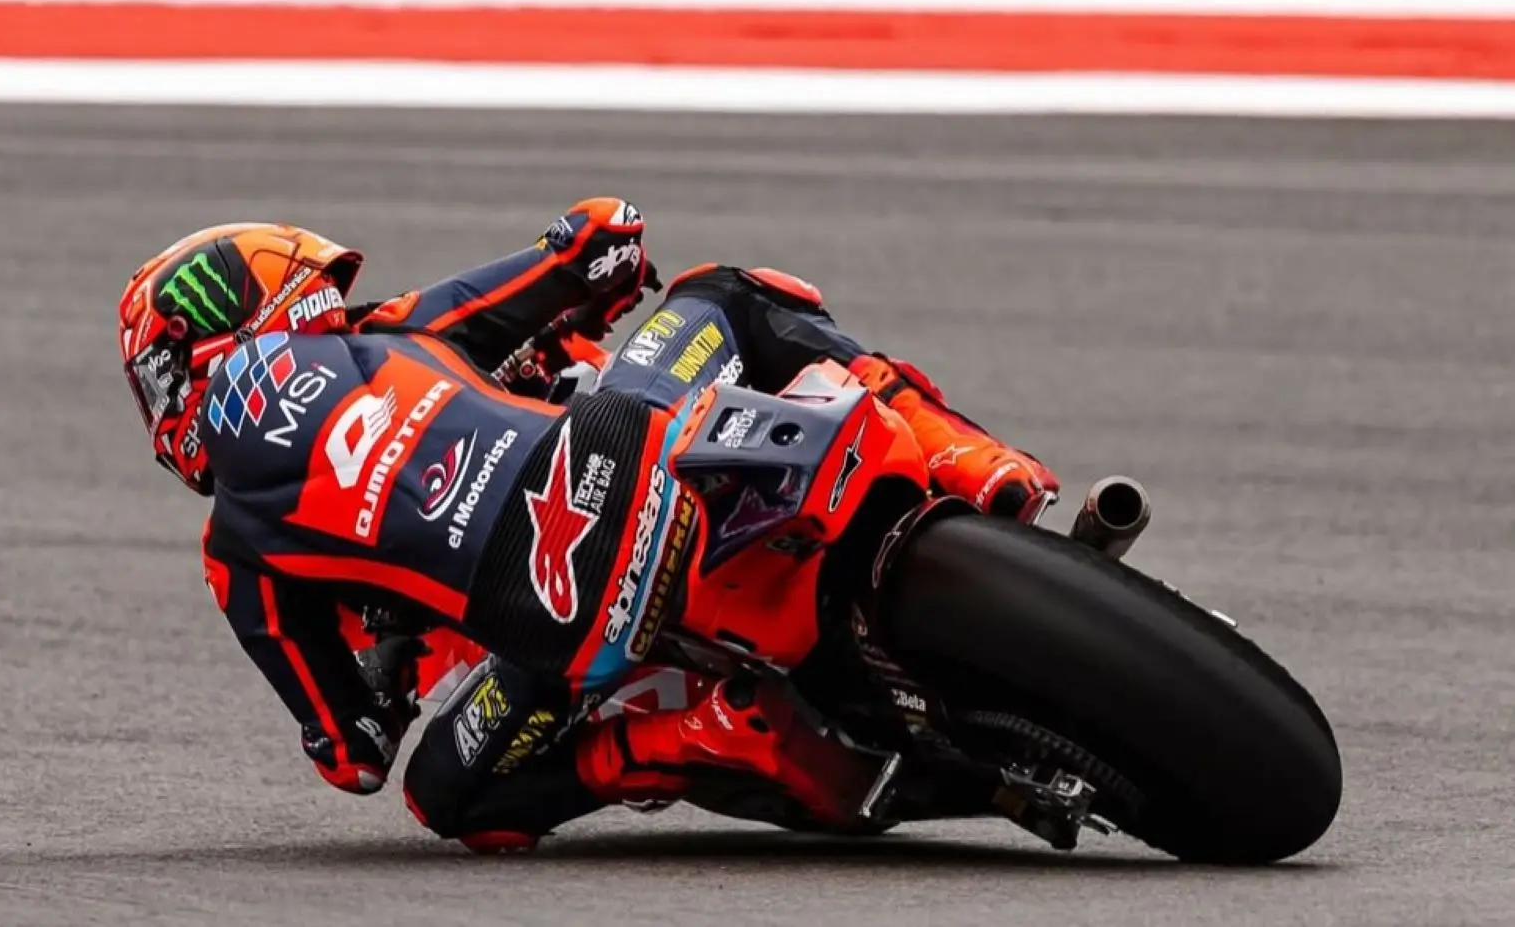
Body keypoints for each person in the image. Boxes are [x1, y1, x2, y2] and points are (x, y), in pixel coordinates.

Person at [116, 200, 1059, 852]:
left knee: (445, 796)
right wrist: (608, 254)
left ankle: (696, 734)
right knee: (733, 291)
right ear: (274, 300)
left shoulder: (236, 552)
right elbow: (579, 250)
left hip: (555, 634)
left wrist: (389, 668)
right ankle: (975, 463)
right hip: (626, 450)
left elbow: (354, 755)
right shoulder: (390, 331)